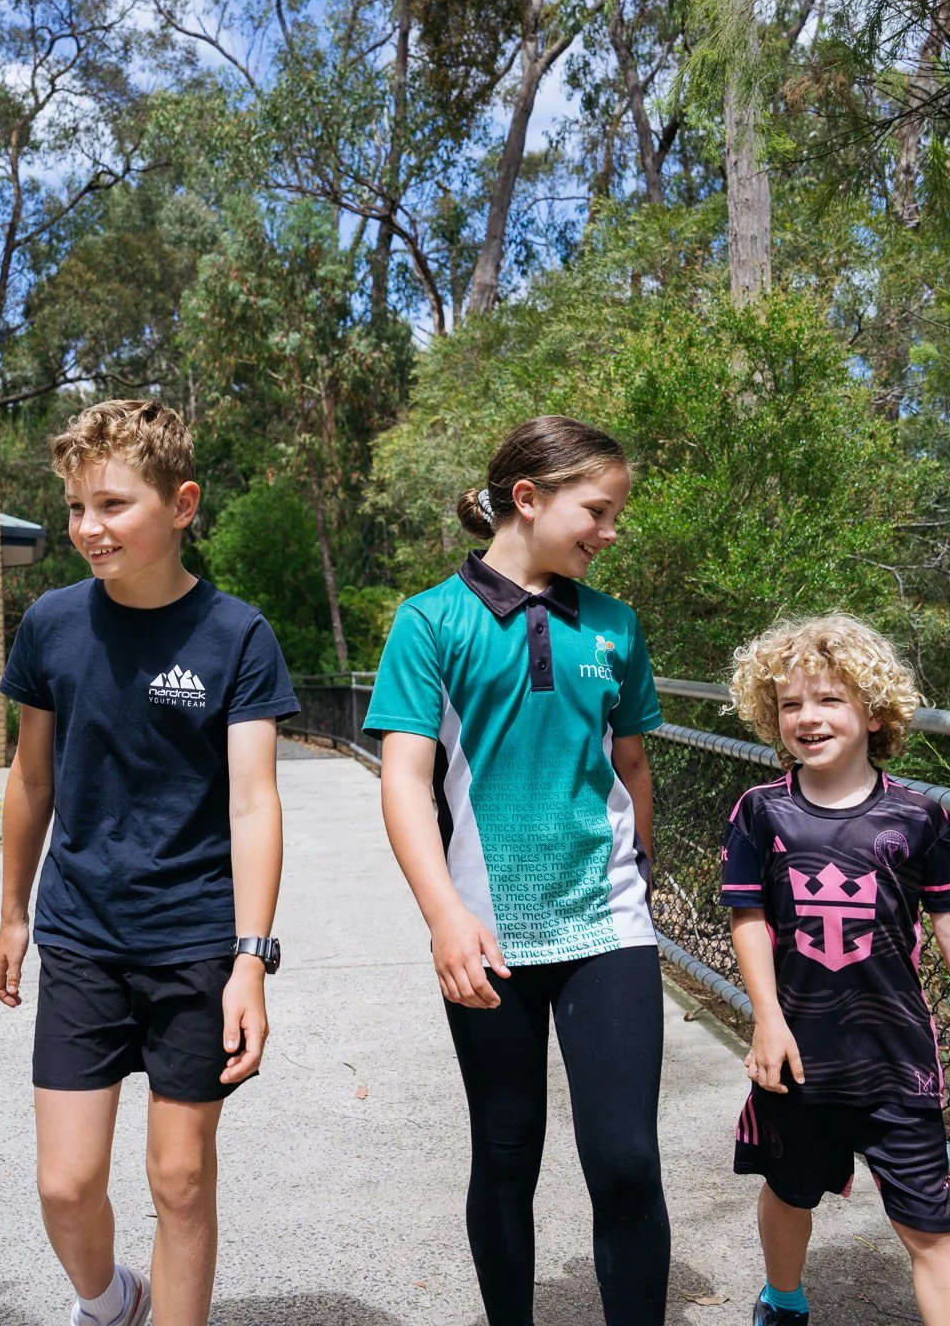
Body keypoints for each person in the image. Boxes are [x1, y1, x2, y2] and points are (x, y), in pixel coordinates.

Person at [0, 398, 294, 1326]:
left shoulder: (237, 635)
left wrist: (251, 957)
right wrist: (12, 912)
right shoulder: (50, 625)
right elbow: (30, 778)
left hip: (196, 938)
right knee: (66, 1184)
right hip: (81, 935)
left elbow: (253, 802)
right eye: (77, 508)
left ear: (183, 503)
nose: (88, 528)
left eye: (113, 505)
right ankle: (111, 1299)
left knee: (181, 1176)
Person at [365, 415, 672, 1326]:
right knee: (506, 1154)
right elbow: (405, 785)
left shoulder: (616, 625)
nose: (610, 532)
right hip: (486, 932)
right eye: (598, 511)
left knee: (625, 1160)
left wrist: (638, 876)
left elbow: (633, 766)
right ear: (528, 500)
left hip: (607, 924)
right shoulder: (431, 622)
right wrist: (445, 918)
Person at [721, 614, 950, 1326]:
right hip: (795, 1055)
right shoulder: (760, 813)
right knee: (790, 1190)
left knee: (932, 1229)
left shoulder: (919, 817)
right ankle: (784, 1299)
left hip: (898, 1062)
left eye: (829, 699)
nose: (808, 718)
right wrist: (766, 1023)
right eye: (790, 704)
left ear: (872, 709)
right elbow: (749, 920)